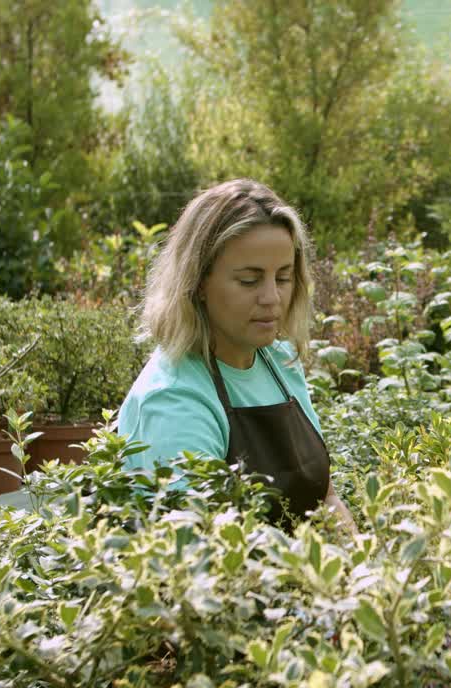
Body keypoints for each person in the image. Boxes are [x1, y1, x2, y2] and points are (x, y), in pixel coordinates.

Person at [118, 179, 356, 531]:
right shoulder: (172, 399)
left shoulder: (278, 362)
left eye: (284, 277)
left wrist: (367, 571)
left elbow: (326, 499)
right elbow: (199, 556)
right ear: (197, 282)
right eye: (249, 280)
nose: (271, 297)